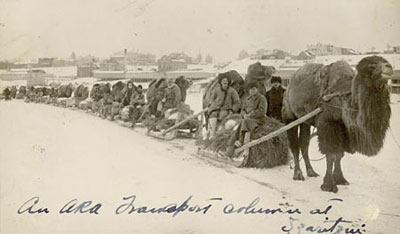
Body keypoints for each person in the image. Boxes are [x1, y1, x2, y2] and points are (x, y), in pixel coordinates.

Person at [223, 81, 267, 158]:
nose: (252, 91)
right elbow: (243, 110)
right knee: (236, 130)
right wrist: (243, 114)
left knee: (245, 121)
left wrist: (249, 115)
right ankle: (229, 150)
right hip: (247, 120)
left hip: (258, 120)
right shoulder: (247, 99)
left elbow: (262, 111)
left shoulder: (261, 98)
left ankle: (240, 140)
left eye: (254, 89)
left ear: (257, 89)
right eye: (250, 90)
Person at [206, 76, 241, 140]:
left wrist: (232, 110)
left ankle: (219, 133)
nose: (225, 84)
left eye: (226, 82)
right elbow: (212, 99)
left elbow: (237, 102)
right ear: (221, 83)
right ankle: (212, 134)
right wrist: (211, 105)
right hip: (215, 108)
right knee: (212, 115)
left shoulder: (232, 91)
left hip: (226, 109)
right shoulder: (216, 90)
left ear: (228, 83)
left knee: (222, 116)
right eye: (223, 82)